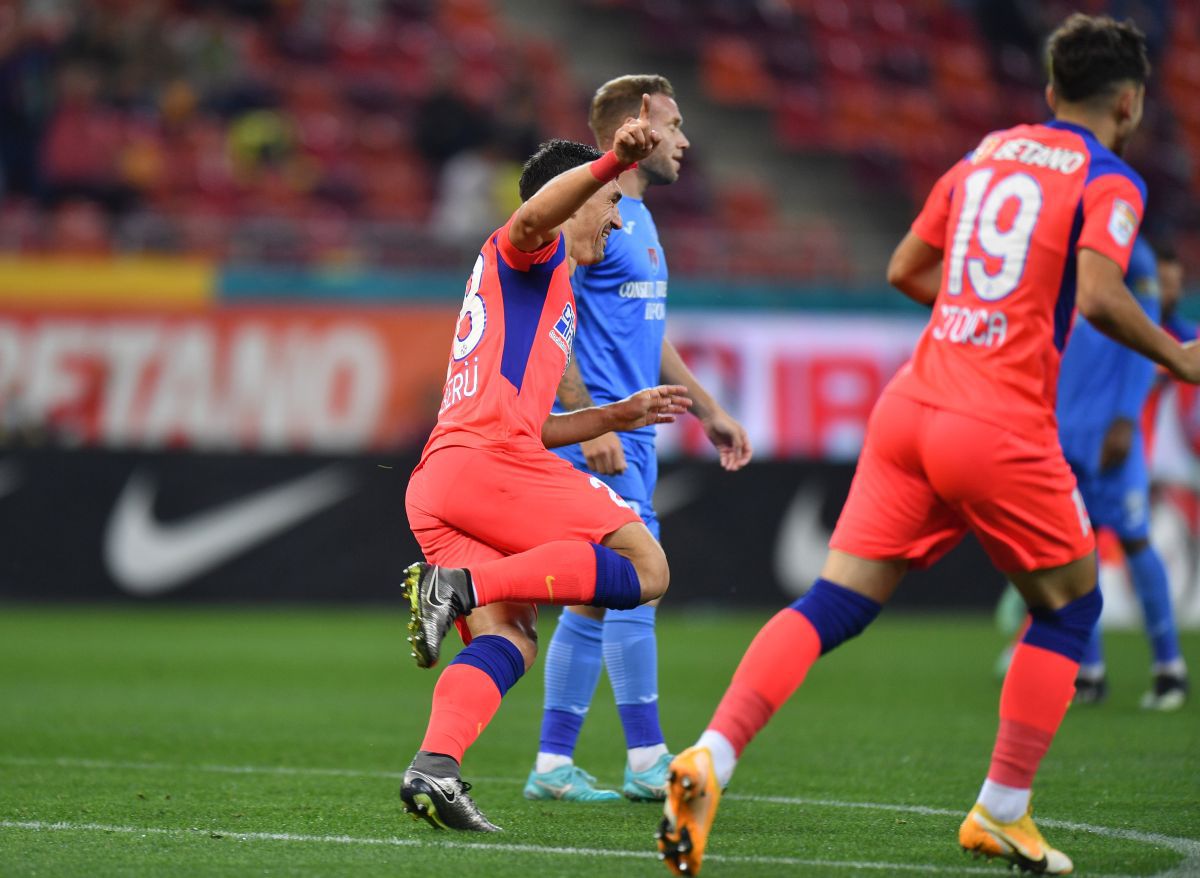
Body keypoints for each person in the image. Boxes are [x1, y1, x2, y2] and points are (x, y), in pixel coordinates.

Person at [655, 14, 1200, 875]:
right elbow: (1098, 294)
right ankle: (1001, 811)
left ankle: (710, 755)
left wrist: (975, 320)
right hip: (1000, 423)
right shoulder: (1111, 178)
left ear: (1051, 91)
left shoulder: (987, 153)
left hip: (912, 405)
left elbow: (906, 268)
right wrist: (1178, 355)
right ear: (1129, 103)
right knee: (1072, 609)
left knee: (834, 606)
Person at [399, 101, 694, 832]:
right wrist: (609, 163)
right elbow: (532, 220)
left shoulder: (545, 289)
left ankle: (434, 768)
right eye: (610, 205)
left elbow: (531, 420)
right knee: (646, 567)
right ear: (573, 195)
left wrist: (611, 416)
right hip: (490, 465)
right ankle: (458, 585)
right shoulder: (533, 249)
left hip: (443, 477)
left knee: (511, 639)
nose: (619, 221)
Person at [525, 74, 752, 805]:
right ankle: (648, 759)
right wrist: (586, 415)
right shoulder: (593, 203)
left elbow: (647, 333)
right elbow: (541, 309)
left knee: (595, 601)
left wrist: (709, 408)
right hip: (603, 437)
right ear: (635, 125)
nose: (685, 140)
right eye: (674, 124)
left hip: (634, 437)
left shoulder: (643, 218)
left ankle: (553, 767)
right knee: (635, 589)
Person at [1056, 236, 1189, 709]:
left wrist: (1124, 419)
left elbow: (1158, 354)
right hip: (1062, 442)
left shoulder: (1143, 312)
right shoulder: (1077, 294)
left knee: (1135, 540)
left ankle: (1169, 668)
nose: (1168, 294)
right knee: (1074, 551)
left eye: (1175, 286)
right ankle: (1088, 671)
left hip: (1118, 444)